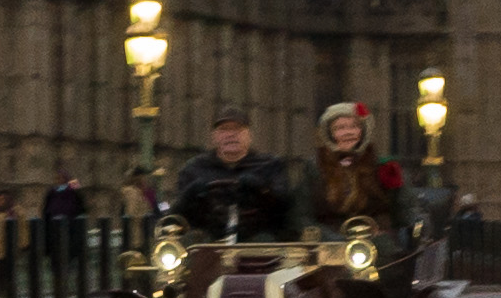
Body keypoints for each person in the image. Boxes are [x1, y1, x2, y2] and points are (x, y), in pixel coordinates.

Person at [167, 106, 301, 240]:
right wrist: (189, 194)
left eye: (238, 129)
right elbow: (175, 216)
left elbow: (286, 209)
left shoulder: (270, 166)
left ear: (249, 135)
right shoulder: (194, 169)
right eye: (224, 129)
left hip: (258, 238)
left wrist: (262, 191)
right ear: (214, 136)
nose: (231, 134)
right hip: (208, 238)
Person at [309, 102, 412, 234]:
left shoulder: (382, 166)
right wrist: (331, 238)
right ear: (329, 134)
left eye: (354, 126)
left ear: (363, 132)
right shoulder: (315, 167)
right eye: (340, 128)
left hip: (375, 237)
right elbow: (302, 216)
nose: (348, 132)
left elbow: (404, 209)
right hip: (332, 239)